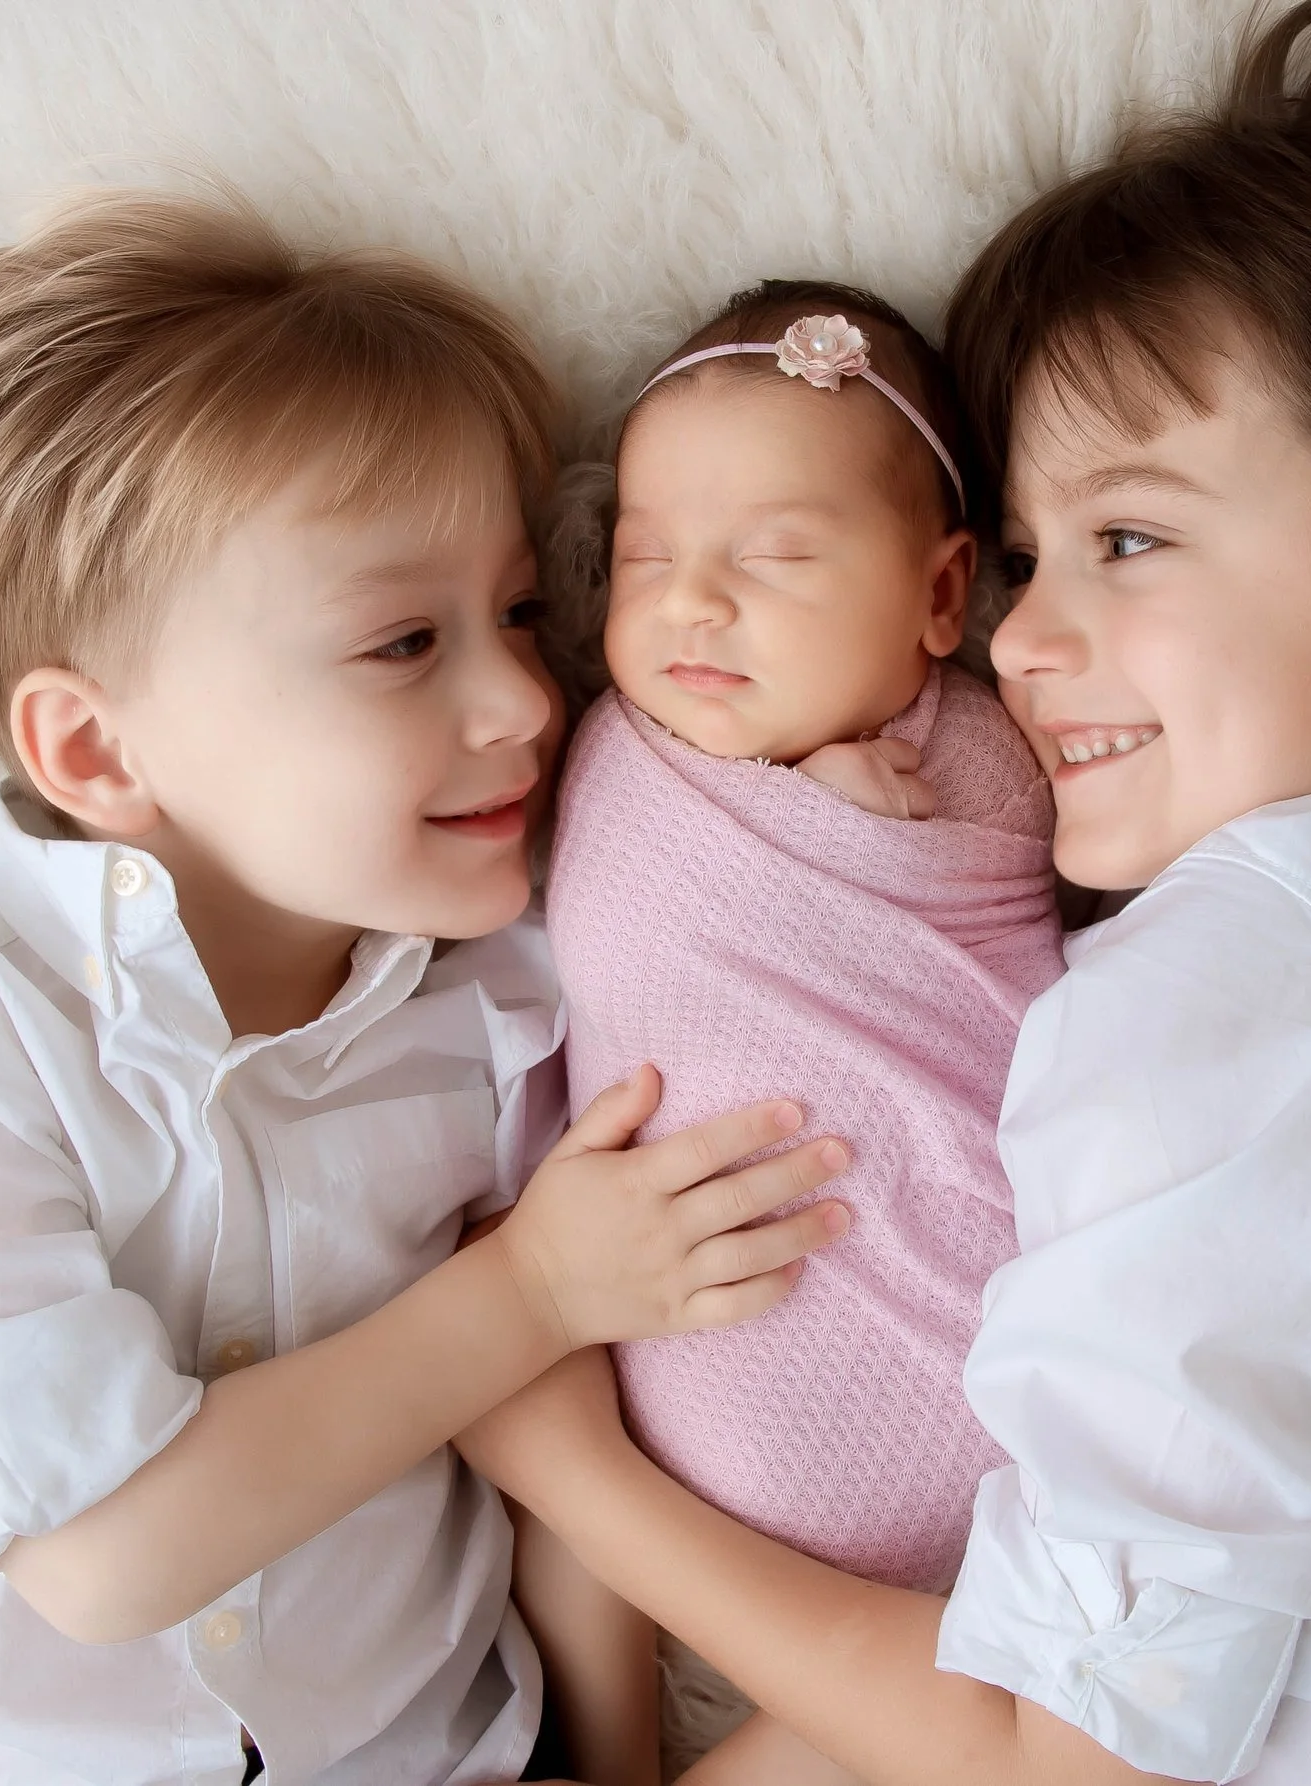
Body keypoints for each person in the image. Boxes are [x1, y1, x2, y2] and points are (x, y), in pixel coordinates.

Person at [463, 5, 1311, 1783]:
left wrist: (570, 1469)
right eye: (1022, 556)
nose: (1028, 637)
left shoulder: (1243, 1003)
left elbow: (1060, 1759)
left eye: (1130, 539)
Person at [0, 188, 849, 1786]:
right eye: (406, 641)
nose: (527, 699)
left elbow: (571, 1424)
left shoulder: (506, 993)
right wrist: (529, 1287)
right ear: (97, 748)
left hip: (459, 1750)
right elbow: (106, 1557)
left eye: (522, 612)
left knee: (996, 1695)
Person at [523, 281, 1066, 1782]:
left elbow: (1030, 986)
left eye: (772, 555)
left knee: (961, 1692)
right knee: (544, 1467)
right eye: (644, 556)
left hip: (988, 1416)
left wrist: (920, 809)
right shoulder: (617, 765)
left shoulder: (1003, 768)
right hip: (661, 1398)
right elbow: (621, 952)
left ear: (942, 600)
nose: (691, 600)